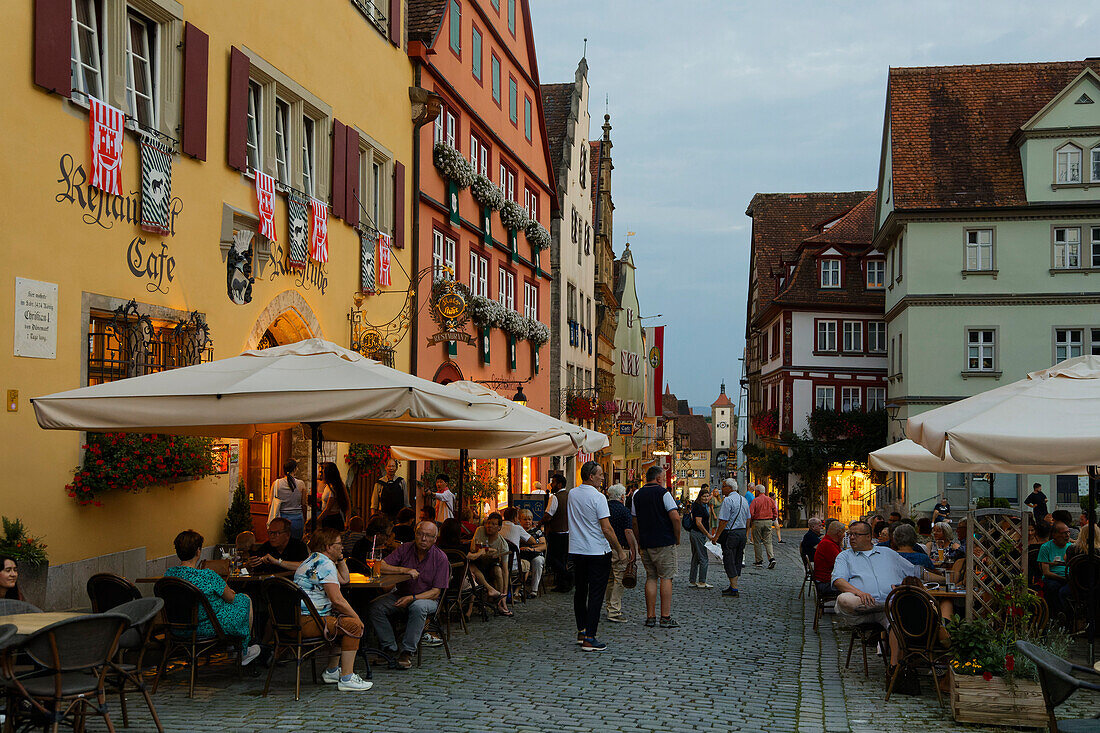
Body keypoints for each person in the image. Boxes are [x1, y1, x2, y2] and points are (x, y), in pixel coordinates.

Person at [831, 521, 941, 665]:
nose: (851, 538)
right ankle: (890, 605)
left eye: (856, 534)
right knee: (844, 599)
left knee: (895, 622)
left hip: (889, 609)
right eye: (850, 534)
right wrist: (860, 593)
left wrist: (945, 578)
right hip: (863, 607)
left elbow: (915, 571)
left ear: (869, 536)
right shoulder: (845, 556)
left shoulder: (888, 553)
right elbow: (838, 580)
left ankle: (896, 667)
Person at [164, 530, 261, 665]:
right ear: (198, 551)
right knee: (244, 599)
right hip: (207, 627)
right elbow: (231, 598)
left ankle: (236, 648)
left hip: (176, 629)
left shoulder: (169, 575)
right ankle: (241, 651)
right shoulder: (207, 576)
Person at [293, 528, 372, 691]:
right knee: (352, 625)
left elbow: (344, 579)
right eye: (339, 544)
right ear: (328, 547)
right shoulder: (325, 564)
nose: (342, 546)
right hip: (310, 621)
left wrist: (340, 558)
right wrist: (357, 618)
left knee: (341, 620)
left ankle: (332, 671)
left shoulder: (313, 560)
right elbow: (337, 600)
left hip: (298, 619)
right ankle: (347, 678)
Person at [368, 521, 450, 670]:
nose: (423, 539)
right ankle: (390, 647)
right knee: (376, 607)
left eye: (428, 536)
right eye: (420, 534)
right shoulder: (405, 548)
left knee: (418, 607)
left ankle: (407, 651)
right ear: (415, 534)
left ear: (435, 539)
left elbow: (436, 592)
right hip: (401, 594)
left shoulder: (440, 558)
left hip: (427, 599)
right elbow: (381, 565)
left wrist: (412, 598)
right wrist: (404, 570)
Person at [568, 461, 627, 652]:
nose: (603, 477)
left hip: (577, 549)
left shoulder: (572, 494)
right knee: (595, 594)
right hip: (597, 551)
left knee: (580, 591)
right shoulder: (599, 497)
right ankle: (590, 637)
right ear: (591, 476)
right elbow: (606, 528)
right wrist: (618, 549)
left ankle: (581, 630)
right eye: (600, 474)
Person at [632, 466, 682, 628]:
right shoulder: (664, 493)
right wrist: (677, 537)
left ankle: (650, 616)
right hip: (664, 541)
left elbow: (634, 521)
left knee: (651, 577)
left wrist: (639, 540)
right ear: (659, 478)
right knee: (666, 577)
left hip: (646, 542)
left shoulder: (636, 495)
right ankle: (665, 617)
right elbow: (675, 517)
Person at [603, 484, 637, 622]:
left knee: (609, 579)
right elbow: (628, 532)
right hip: (620, 549)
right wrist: (633, 549)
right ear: (622, 496)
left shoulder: (604, 508)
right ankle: (614, 610)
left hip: (604, 548)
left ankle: (609, 606)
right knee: (619, 580)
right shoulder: (624, 511)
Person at [468, 512, 512, 616]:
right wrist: (484, 551)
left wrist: (505, 594)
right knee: (472, 570)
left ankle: (501, 601)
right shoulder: (480, 530)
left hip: (491, 567)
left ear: (499, 528)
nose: (489, 526)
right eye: (488, 523)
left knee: (498, 570)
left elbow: (505, 570)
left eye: (493, 524)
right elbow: (472, 548)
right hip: (476, 565)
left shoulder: (503, 545)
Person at [713, 479, 749, 597]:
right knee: (738, 559)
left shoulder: (728, 500)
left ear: (729, 488)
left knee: (729, 559)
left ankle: (734, 588)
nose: (721, 489)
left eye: (723, 486)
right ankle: (733, 585)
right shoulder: (743, 499)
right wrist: (747, 533)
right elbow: (748, 518)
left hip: (731, 534)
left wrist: (716, 536)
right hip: (742, 533)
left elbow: (723, 520)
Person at [541, 473, 572, 592]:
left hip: (556, 532)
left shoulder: (554, 497)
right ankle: (563, 584)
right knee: (562, 559)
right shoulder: (569, 495)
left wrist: (539, 523)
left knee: (552, 559)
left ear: (559, 484)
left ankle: (567, 576)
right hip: (567, 532)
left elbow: (549, 515)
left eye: (553, 482)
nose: (551, 485)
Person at [1038, 522, 1072, 617]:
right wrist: (1063, 578)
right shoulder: (1046, 547)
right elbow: (1046, 572)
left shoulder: (1071, 547)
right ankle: (1056, 614)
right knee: (1053, 587)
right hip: (1052, 578)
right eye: (1064, 533)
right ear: (1054, 535)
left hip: (1068, 577)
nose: (1067, 535)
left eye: (1068, 532)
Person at [500, 506, 537, 593]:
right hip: (513, 564)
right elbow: (533, 541)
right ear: (515, 518)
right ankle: (516, 591)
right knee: (527, 565)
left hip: (499, 563)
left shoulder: (499, 526)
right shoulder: (517, 528)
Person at [269, 459, 306, 540]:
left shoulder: (276, 484)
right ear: (295, 469)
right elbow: (304, 504)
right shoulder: (301, 484)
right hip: (297, 518)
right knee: (296, 543)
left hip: (282, 519)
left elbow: (270, 504)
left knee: (282, 543)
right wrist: (305, 519)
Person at [518, 509, 548, 597]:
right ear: (520, 520)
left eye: (529, 519)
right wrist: (535, 545)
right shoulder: (518, 531)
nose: (527, 521)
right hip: (522, 556)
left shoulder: (537, 531)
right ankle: (519, 589)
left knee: (537, 561)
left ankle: (534, 590)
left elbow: (543, 546)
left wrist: (532, 549)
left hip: (535, 555)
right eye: (525, 519)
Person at [689, 486, 714, 589]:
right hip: (698, 534)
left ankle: (692, 580)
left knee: (695, 557)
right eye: (704, 496)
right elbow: (698, 523)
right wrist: (708, 534)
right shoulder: (699, 507)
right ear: (700, 496)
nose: (706, 498)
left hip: (695, 533)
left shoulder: (701, 505)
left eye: (707, 496)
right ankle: (702, 582)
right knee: (704, 558)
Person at [812, 520, 846, 596]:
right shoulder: (828, 544)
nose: (844, 535)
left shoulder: (830, 542)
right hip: (825, 584)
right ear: (839, 533)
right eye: (844, 532)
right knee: (856, 586)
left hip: (826, 581)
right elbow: (840, 564)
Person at [749, 486, 778, 569]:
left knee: (757, 541)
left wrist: (752, 520)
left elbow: (751, 512)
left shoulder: (755, 500)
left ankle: (759, 560)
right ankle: (771, 558)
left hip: (757, 522)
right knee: (768, 541)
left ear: (758, 491)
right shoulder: (770, 500)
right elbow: (775, 511)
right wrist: (772, 518)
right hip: (768, 521)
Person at [316, 462, 350, 530]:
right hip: (328, 518)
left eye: (322, 472)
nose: (321, 475)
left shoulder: (333, 487)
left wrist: (317, 520)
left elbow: (328, 508)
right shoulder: (328, 486)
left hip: (331, 520)